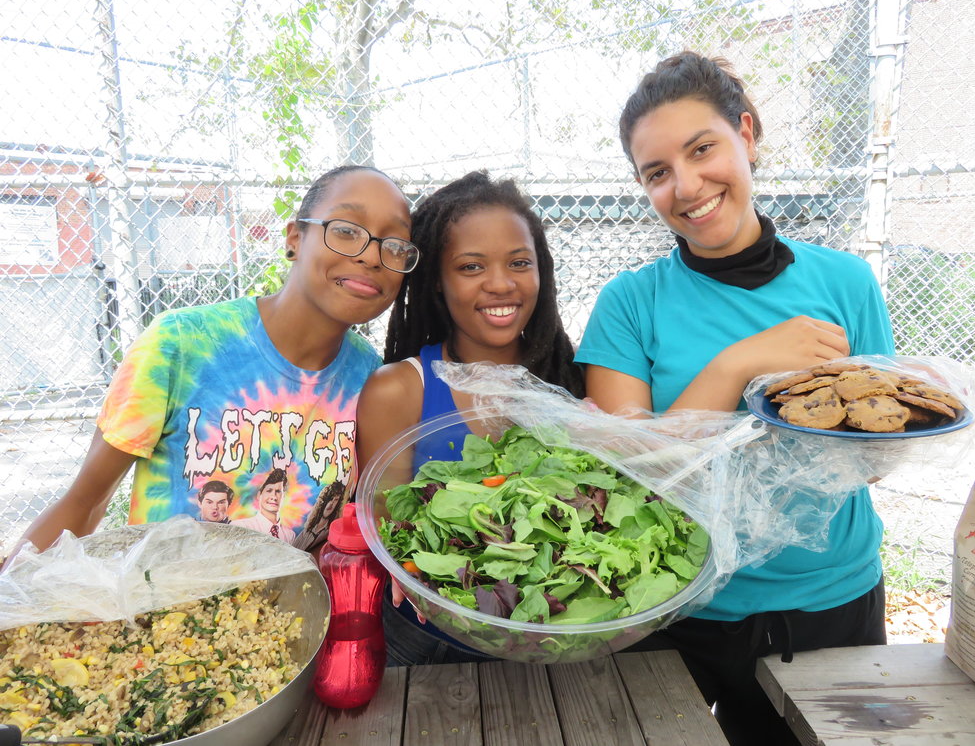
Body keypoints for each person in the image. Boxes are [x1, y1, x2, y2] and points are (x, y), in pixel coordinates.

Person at [574, 52, 895, 745]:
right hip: (674, 605)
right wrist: (740, 364)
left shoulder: (846, 283)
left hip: (830, 601)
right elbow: (636, 477)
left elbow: (876, 452)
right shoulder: (630, 305)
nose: (686, 186)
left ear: (746, 136)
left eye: (702, 149)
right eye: (657, 173)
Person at [16, 165, 416, 556]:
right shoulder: (181, 344)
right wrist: (13, 601)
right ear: (294, 237)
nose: (372, 256)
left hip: (296, 614)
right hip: (167, 611)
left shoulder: (371, 378)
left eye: (394, 244)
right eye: (346, 231)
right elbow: (85, 503)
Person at [356, 170, 584, 665]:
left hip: (562, 638)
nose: (500, 284)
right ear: (437, 281)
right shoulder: (399, 389)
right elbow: (390, 533)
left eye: (519, 262)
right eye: (471, 266)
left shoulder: (573, 381)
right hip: (429, 644)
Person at [231, 468, 294, 542]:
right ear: (259, 495)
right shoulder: (242, 526)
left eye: (278, 491)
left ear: (283, 497)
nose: (273, 497)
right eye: (269, 491)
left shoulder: (290, 535)